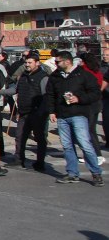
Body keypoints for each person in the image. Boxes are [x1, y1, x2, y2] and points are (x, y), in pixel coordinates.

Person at [46, 51, 103, 185]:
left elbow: (95, 93)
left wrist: (79, 99)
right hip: (62, 115)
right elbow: (50, 95)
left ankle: (96, 173)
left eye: (58, 61)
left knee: (85, 144)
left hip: (79, 114)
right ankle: (72, 173)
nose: (56, 64)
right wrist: (51, 111)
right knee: (67, 146)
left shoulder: (82, 75)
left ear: (67, 61)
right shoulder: (55, 76)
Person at [8, 53, 49, 172]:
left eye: (30, 62)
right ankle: (19, 160)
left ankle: (40, 163)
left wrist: (44, 112)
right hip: (24, 112)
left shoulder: (43, 77)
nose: (27, 65)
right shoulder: (23, 76)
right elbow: (15, 90)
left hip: (37, 113)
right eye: (26, 62)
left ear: (37, 63)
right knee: (20, 137)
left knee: (40, 138)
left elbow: (46, 96)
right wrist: (0, 91)